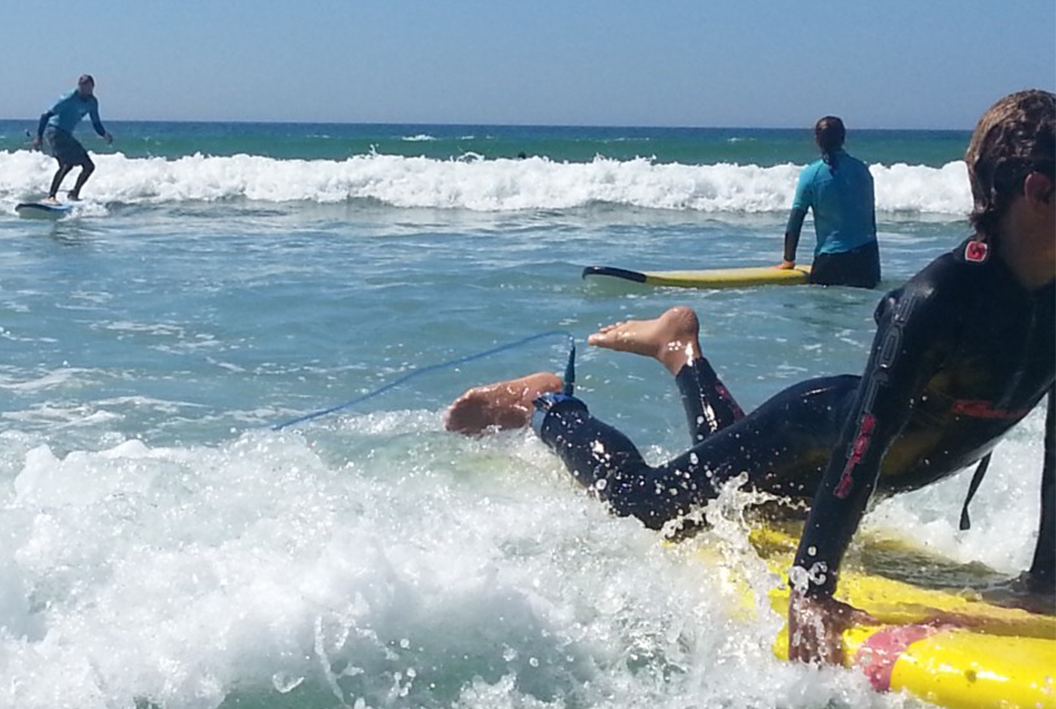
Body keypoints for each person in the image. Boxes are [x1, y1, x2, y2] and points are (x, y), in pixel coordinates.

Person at [445, 90, 1056, 665]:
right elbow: (863, 443)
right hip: (819, 431)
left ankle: (679, 348)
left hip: (856, 463)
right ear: (1038, 190)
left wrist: (1045, 582)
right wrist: (812, 587)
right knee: (648, 505)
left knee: (753, 505)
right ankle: (548, 404)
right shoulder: (937, 300)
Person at [778, 116, 881, 288]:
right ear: (843, 138)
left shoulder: (811, 175)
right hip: (867, 259)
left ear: (817, 140)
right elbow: (869, 218)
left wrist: (788, 260)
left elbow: (795, 224)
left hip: (831, 262)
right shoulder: (862, 170)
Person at [33, 74, 113, 202]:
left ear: (93, 87)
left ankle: (74, 194)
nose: (83, 91)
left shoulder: (92, 102)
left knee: (88, 166)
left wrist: (104, 135)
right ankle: (51, 196)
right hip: (55, 131)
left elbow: (96, 123)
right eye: (81, 87)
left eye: (86, 88)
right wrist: (38, 137)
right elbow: (45, 116)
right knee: (66, 164)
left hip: (67, 134)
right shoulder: (68, 98)